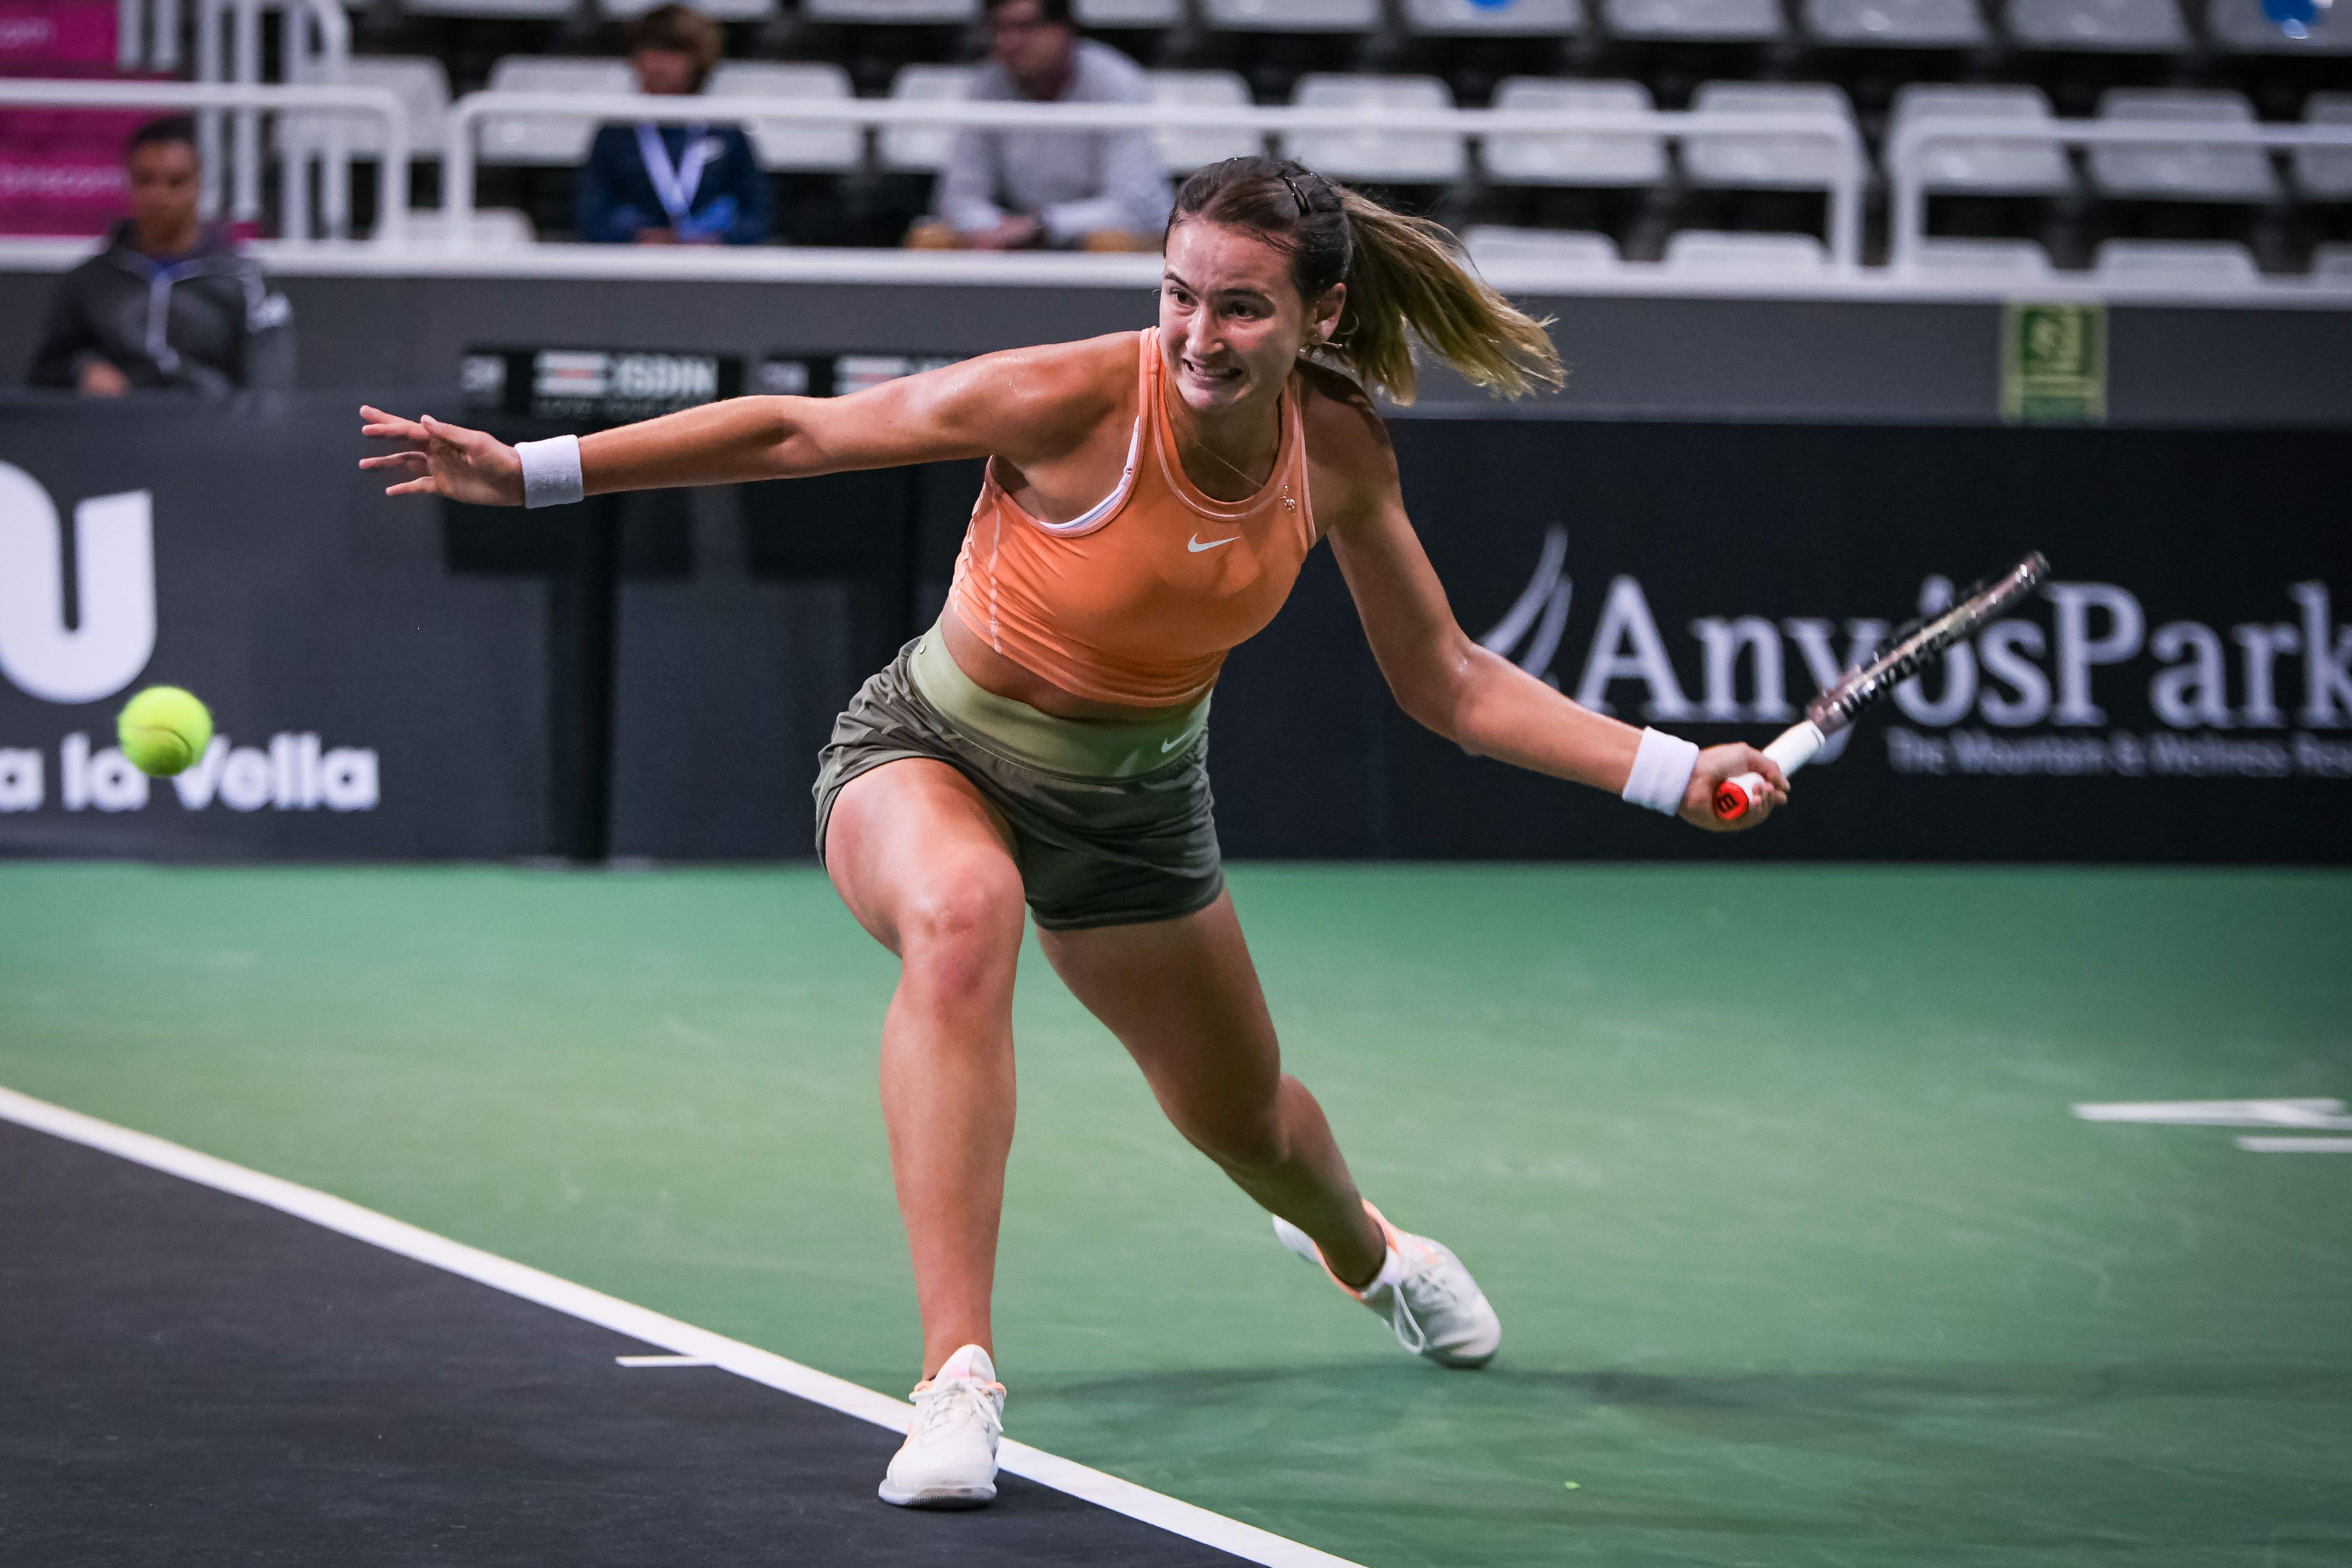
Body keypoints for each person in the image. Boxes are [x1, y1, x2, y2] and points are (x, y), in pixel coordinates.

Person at [358, 155, 1788, 1511]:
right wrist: (535, 471)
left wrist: (1668, 770)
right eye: (1178, 292)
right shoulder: (1070, 399)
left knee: (1249, 1123)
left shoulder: (1335, 452)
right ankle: (956, 1379)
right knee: (963, 916)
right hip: (924, 754)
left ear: (1318, 316)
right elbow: (802, 429)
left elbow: (1448, 681)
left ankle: (1365, 1251)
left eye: (1239, 306)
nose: (1197, 333)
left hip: (1134, 811)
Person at [29, 115, 293, 397]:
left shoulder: (246, 283)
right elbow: (44, 377)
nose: (159, 196)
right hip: (114, 432)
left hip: (212, 433)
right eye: (146, 180)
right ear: (128, 182)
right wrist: (81, 371)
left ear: (199, 184)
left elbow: (269, 391)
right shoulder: (90, 280)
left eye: (175, 182)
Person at [907, 0, 1171, 253]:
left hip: (1100, 238)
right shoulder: (986, 85)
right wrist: (998, 229)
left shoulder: (1118, 83)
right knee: (929, 240)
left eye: (1025, 27)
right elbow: (958, 199)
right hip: (1019, 236)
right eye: (999, 29)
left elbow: (1132, 208)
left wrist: (1044, 226)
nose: (1009, 43)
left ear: (1067, 28)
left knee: (1109, 244)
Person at [577, 3, 771, 246]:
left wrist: (719, 241)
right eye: (649, 51)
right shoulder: (616, 131)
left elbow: (758, 215)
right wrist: (636, 238)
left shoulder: (726, 130)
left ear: (698, 62)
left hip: (715, 268)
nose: (657, 65)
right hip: (631, 267)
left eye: (672, 53)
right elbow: (591, 216)